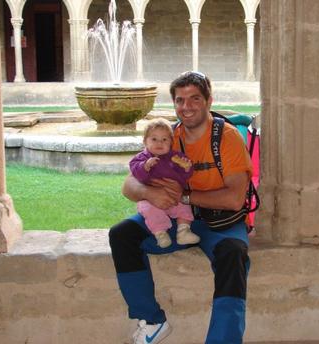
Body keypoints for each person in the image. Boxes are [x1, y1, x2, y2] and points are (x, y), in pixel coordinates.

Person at [109, 71, 252, 344]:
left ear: (209, 101)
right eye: (180, 100)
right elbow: (129, 185)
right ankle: (152, 321)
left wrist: (185, 197)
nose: (187, 107)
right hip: (174, 219)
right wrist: (150, 192)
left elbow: (234, 199)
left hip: (220, 223)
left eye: (195, 99)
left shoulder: (228, 138)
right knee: (122, 234)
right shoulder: (168, 136)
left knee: (234, 256)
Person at [129, 118, 200, 248]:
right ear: (145, 141)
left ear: (171, 143)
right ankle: (160, 234)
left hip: (173, 195)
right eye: (154, 139)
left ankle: (183, 231)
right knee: (150, 210)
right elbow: (135, 172)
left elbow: (184, 177)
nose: (159, 143)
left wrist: (186, 168)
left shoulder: (175, 157)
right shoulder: (142, 158)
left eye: (164, 139)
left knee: (184, 205)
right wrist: (145, 166)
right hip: (150, 198)